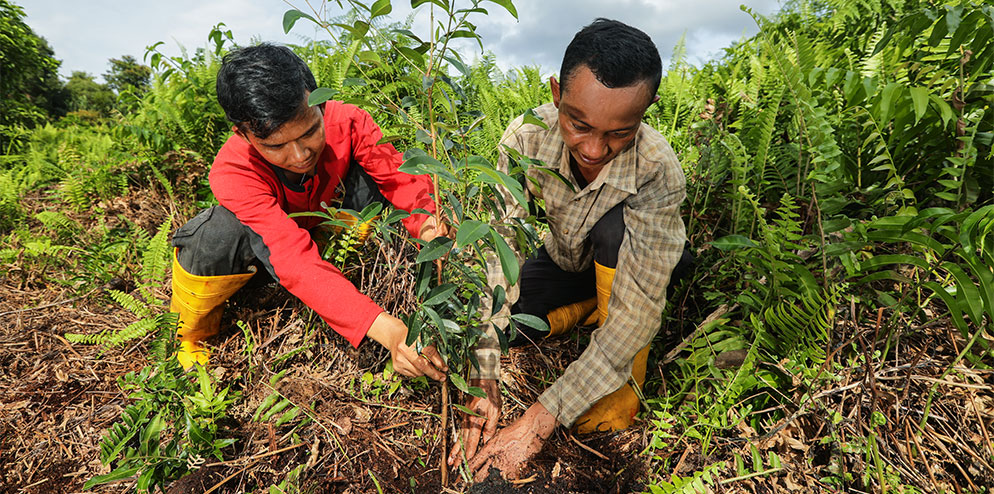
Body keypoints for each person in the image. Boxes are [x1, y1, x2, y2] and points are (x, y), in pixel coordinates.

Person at [446, 19, 689, 480]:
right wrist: (484, 373)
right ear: (557, 93)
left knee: (614, 234)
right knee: (507, 325)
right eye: (579, 125)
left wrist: (538, 421)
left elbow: (635, 316)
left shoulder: (657, 170)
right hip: (566, 260)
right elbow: (498, 253)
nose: (595, 149)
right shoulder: (525, 140)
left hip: (635, 263)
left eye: (620, 132)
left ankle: (613, 343)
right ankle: (587, 308)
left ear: (648, 109)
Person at [168, 43, 448, 382]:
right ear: (243, 133)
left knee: (375, 178)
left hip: (320, 226)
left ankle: (341, 252)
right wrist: (389, 332)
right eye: (276, 146)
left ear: (318, 100)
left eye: (311, 132)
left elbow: (401, 181)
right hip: (268, 253)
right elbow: (292, 258)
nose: (300, 155)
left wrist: (432, 232)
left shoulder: (348, 121)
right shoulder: (233, 171)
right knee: (213, 235)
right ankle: (190, 335)